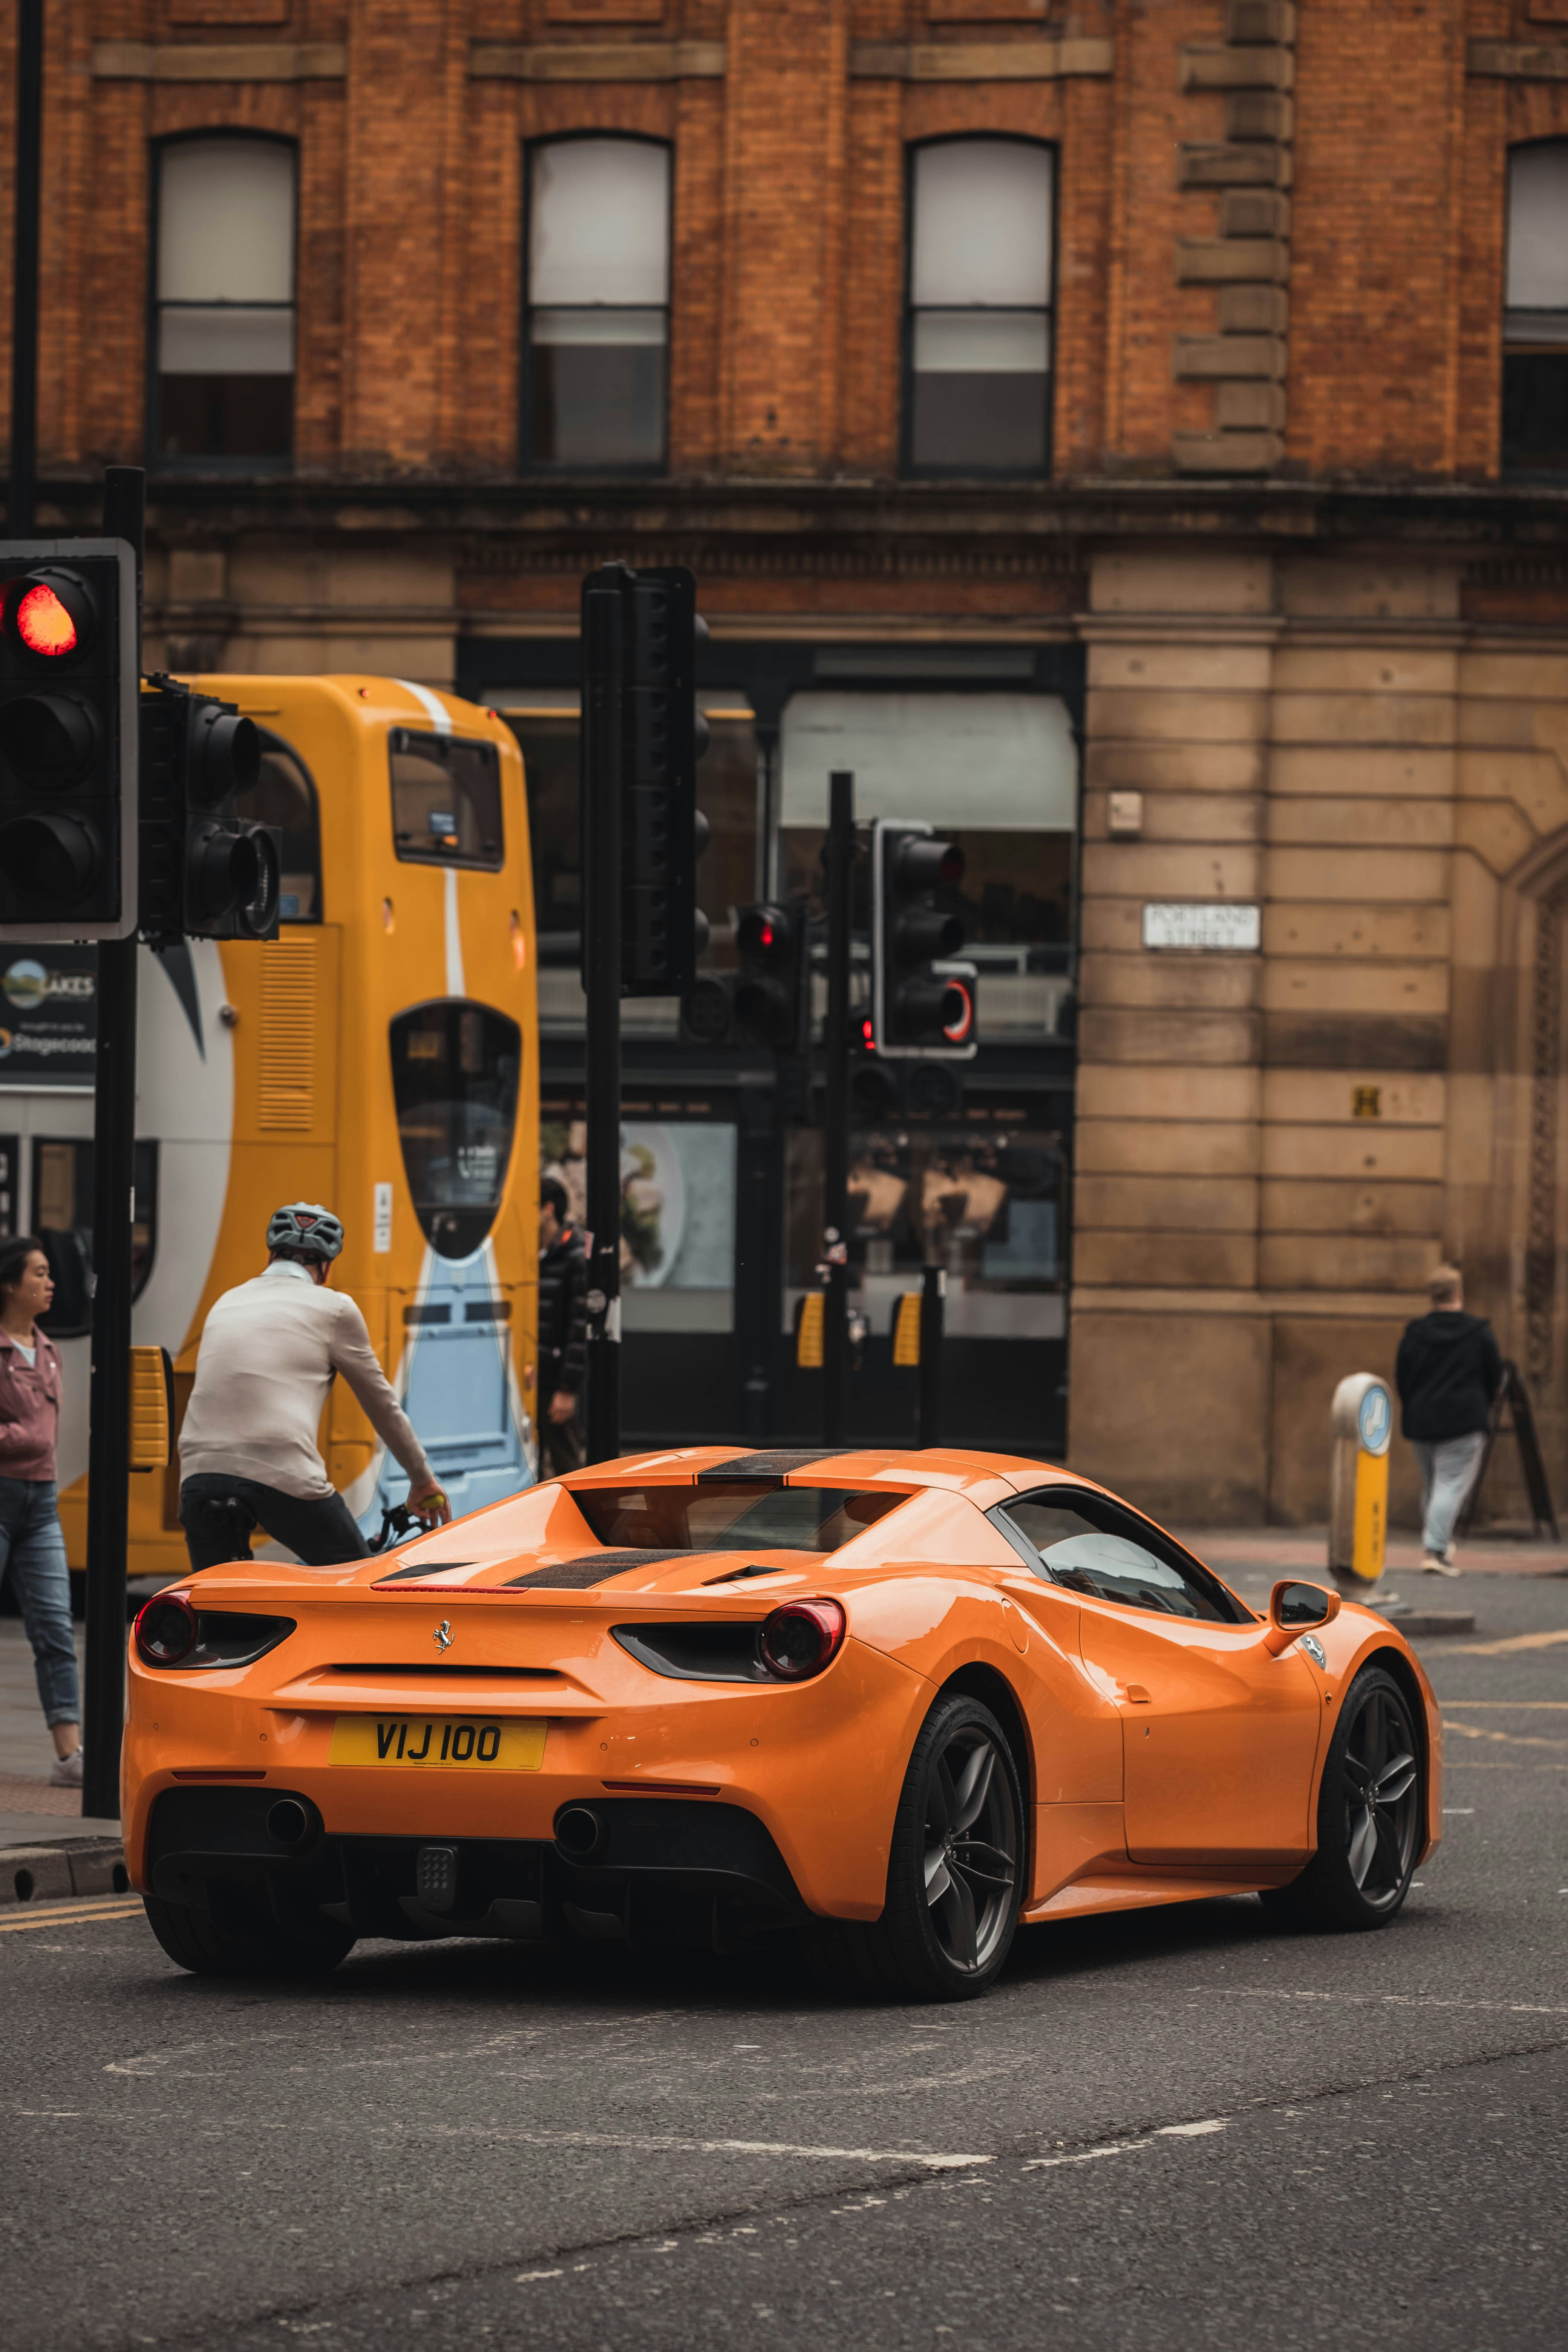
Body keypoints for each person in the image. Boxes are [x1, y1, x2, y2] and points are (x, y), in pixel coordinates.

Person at [178, 1202, 451, 1572]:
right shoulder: (334, 1308)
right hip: (282, 1471)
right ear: (326, 1266)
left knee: (213, 1603)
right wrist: (422, 1479)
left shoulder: (226, 1302)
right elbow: (382, 1406)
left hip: (200, 1473)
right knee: (355, 1587)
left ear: (271, 1254)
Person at [0, 1237, 83, 1788]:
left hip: (41, 1502)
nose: (50, 1283)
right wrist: (17, 1437)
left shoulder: (48, 1349)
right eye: (40, 1274)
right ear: (10, 1285)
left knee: (55, 1627)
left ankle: (68, 1758)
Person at [1395, 1263, 1503, 1578]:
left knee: (1434, 1486)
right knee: (1450, 1486)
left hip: (1421, 1420)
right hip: (1464, 1421)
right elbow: (1494, 1376)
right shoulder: (1479, 1333)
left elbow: (1403, 1376)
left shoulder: (1415, 1333)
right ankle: (1435, 1550)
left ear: (1433, 1295)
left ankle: (1438, 1542)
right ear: (1460, 1293)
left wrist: (1415, 1405)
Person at [537, 1178, 586, 1476]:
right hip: (530, 1376)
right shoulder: (526, 1252)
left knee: (567, 1467)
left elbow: (578, 1328)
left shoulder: (574, 1254)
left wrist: (567, 1389)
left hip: (555, 1379)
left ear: (548, 1209)